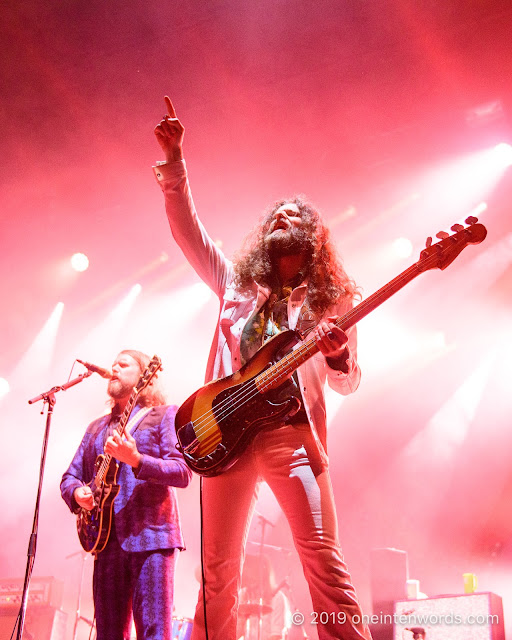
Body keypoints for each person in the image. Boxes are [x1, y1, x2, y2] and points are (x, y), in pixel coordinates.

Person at [153, 97, 372, 640]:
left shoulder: (332, 300)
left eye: (294, 215)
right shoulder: (235, 285)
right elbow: (188, 232)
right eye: (276, 212)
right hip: (225, 433)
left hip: (292, 435)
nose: (282, 217)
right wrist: (176, 161)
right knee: (217, 573)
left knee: (322, 559)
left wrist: (338, 353)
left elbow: (349, 380)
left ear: (314, 235)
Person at [60, 349, 192, 640]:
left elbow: (182, 472)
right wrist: (78, 493)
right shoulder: (95, 428)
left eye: (124, 364)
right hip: (105, 543)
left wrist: (137, 460)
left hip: (152, 539)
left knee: (153, 633)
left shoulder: (163, 416)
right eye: (113, 364)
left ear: (145, 375)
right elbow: (69, 477)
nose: (114, 367)